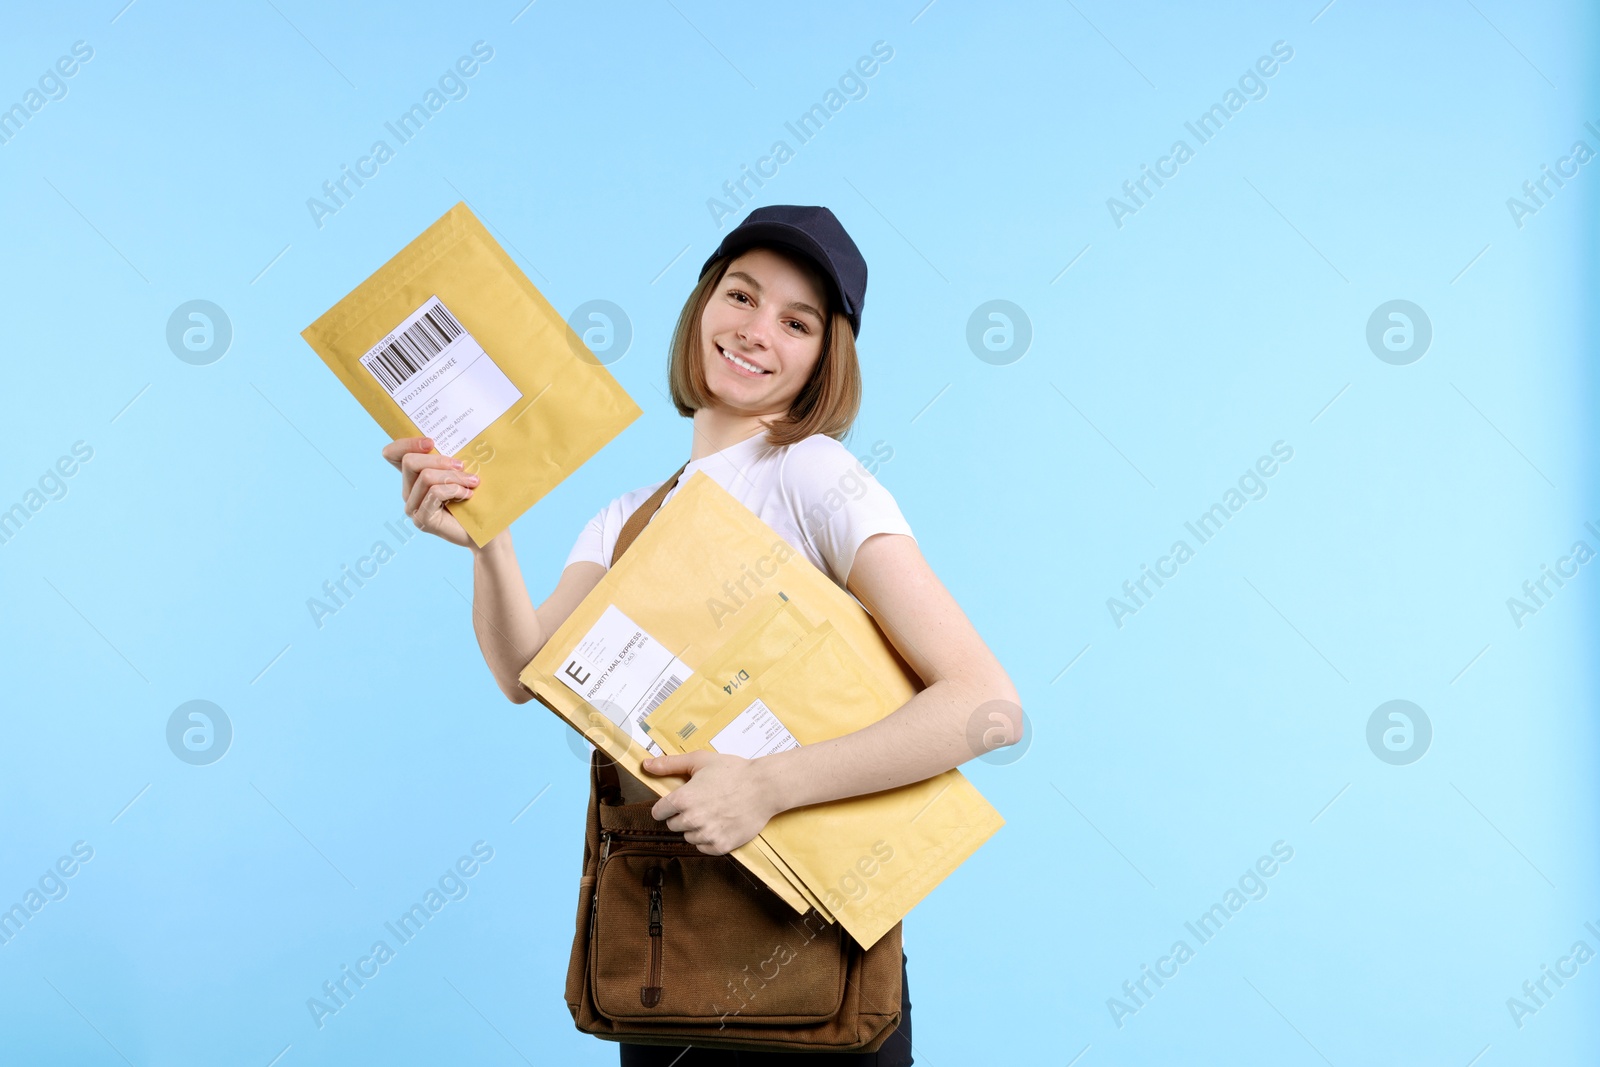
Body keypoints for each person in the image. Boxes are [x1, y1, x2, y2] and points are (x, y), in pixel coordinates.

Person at [382, 205, 1022, 1066]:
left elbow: (986, 706)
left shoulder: (812, 476)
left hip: (809, 966)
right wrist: (487, 534)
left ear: (825, 359)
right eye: (741, 295)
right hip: (668, 954)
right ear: (701, 308)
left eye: (796, 322)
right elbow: (525, 671)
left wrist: (765, 786)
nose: (757, 332)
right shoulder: (624, 517)